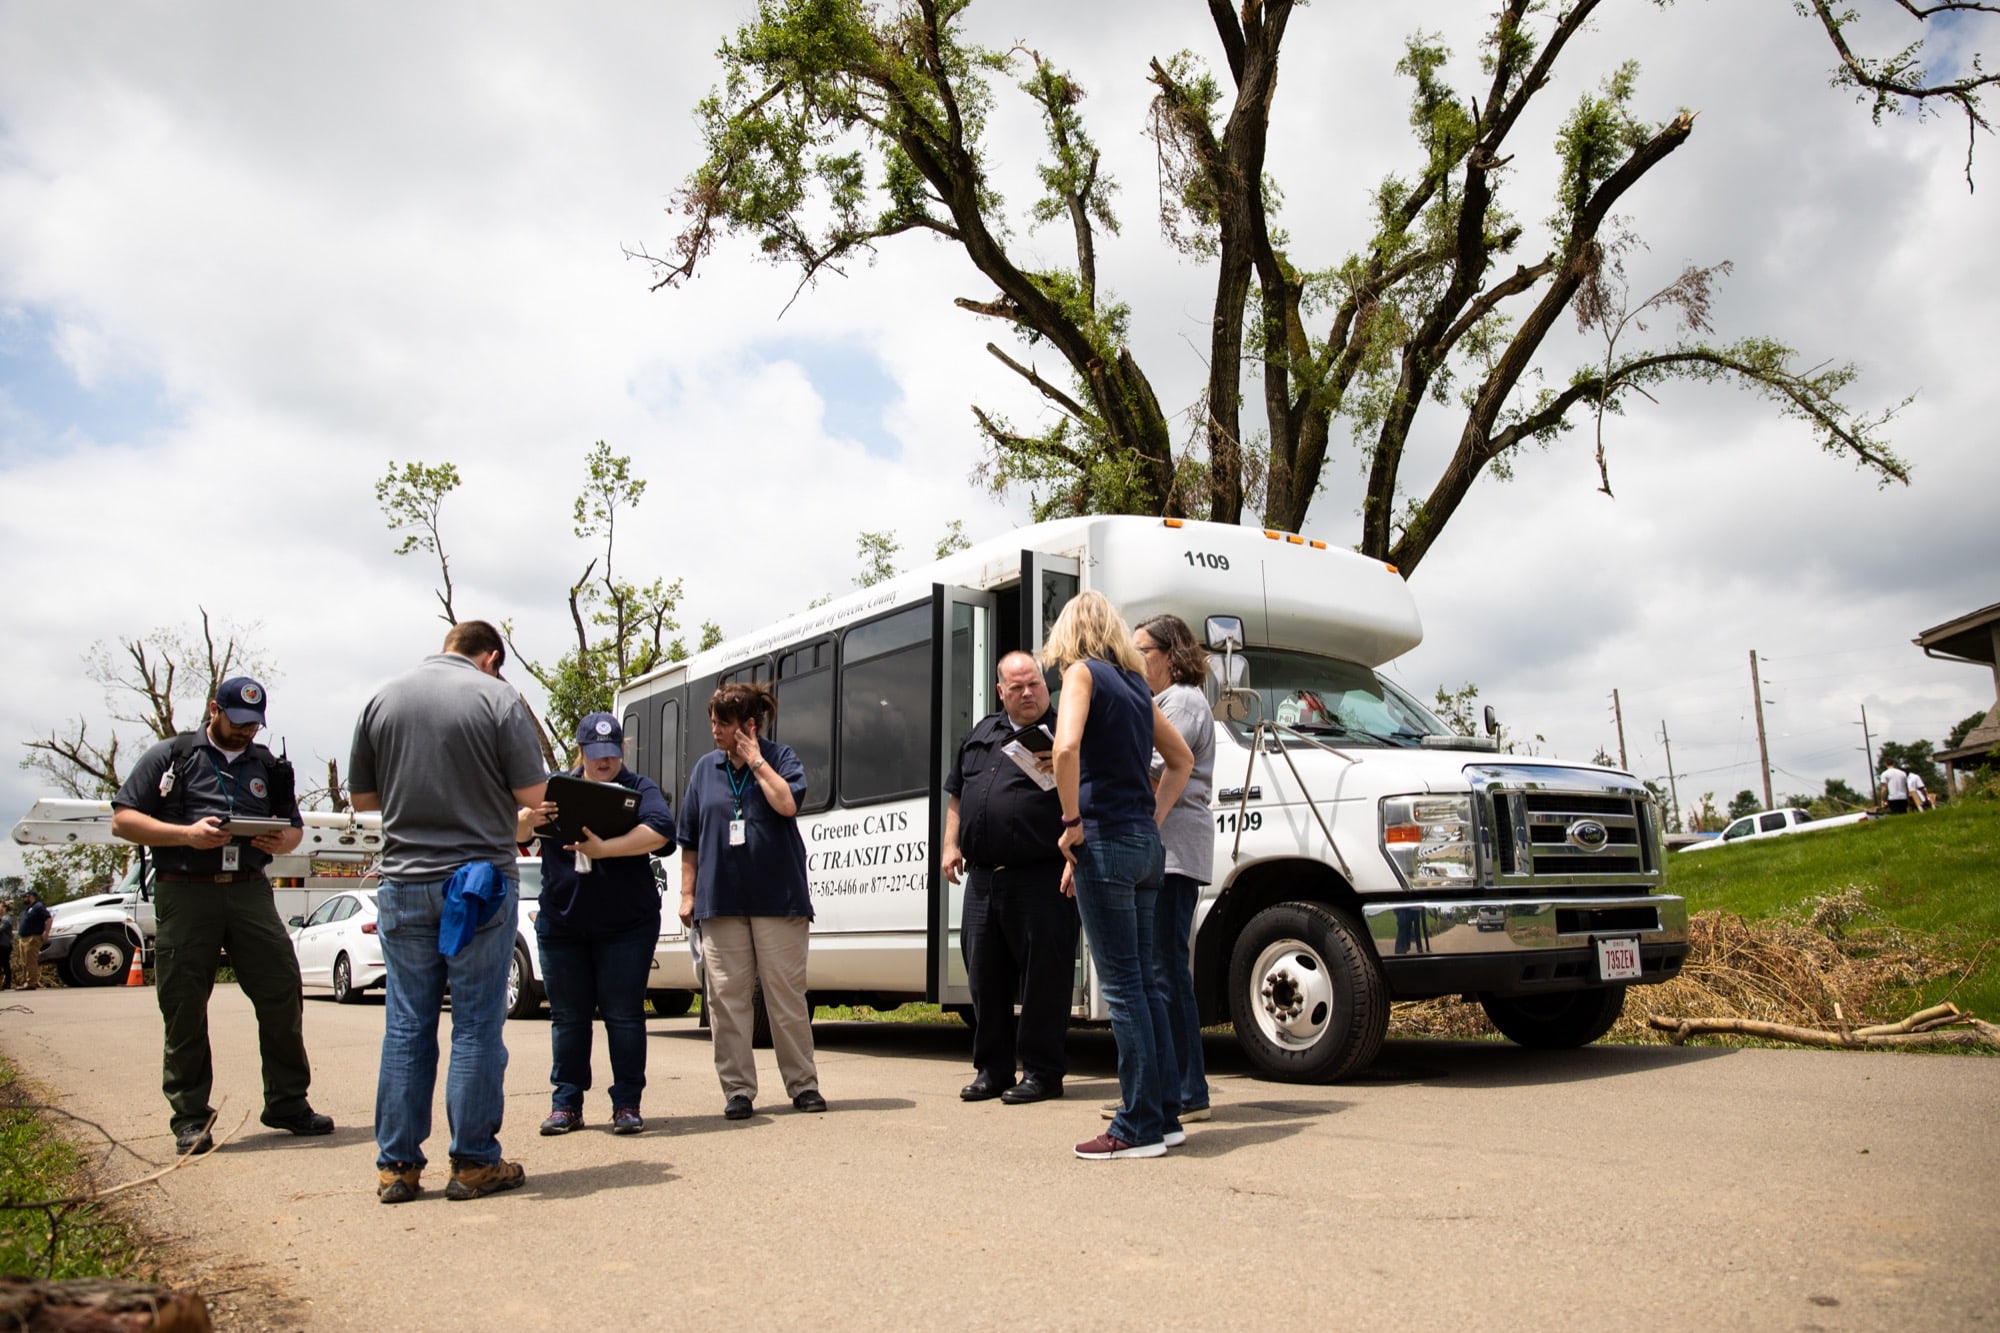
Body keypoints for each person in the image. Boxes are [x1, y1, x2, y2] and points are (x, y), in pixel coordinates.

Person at [349, 620, 547, 1205]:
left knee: (407, 1025)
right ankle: (474, 1163)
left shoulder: (383, 698)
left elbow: (363, 801)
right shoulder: (499, 698)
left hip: (404, 881)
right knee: (477, 1024)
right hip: (479, 882)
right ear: (490, 658)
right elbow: (534, 797)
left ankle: (397, 1169)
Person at [110, 678, 330, 1156]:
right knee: (184, 1003)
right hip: (185, 890)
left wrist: (281, 840)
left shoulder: (267, 764)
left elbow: (293, 827)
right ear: (215, 709)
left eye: (254, 724)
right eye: (238, 721)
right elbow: (123, 819)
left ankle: (288, 1103)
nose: (246, 731)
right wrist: (186, 834)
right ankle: (191, 1117)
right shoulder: (171, 756)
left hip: (249, 889)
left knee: (281, 990)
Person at [1041, 591, 1193, 1160]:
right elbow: (1181, 761)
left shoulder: (1084, 674)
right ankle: (1164, 1114)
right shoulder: (1136, 686)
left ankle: (1135, 1127)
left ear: (1071, 633)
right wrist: (1150, 820)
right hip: (1144, 847)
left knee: (1125, 988)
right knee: (1149, 986)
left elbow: (1065, 749)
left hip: (1105, 839)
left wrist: (1072, 823)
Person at [516, 712, 673, 1137]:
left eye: (610, 754)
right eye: (595, 754)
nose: (603, 763)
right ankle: (566, 1103)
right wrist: (527, 820)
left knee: (623, 1015)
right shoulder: (554, 788)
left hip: (627, 925)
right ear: (580, 751)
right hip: (563, 923)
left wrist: (606, 850)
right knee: (568, 1017)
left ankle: (626, 1103)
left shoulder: (639, 789)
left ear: (621, 749)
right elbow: (514, 832)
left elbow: (661, 831)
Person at [678, 682, 824, 1120]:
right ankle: (738, 1090)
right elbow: (689, 839)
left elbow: (787, 805)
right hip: (720, 901)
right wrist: (687, 893)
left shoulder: (781, 759)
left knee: (785, 996)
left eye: (723, 723)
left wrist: (757, 760)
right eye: (713, 722)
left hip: (778, 899)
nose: (715, 731)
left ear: (749, 725)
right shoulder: (705, 770)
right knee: (727, 999)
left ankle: (803, 1085)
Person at [942, 651, 1077, 1105]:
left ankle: (1042, 1072)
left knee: (1045, 979)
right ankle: (993, 1070)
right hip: (984, 879)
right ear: (1001, 691)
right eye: (1016, 687)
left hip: (1042, 875)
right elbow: (958, 792)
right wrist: (950, 844)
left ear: (1046, 684)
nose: (1027, 693)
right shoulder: (983, 732)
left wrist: (1076, 857)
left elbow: (1088, 798)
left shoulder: (1065, 733)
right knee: (984, 977)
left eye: (1034, 684)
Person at [1128, 614, 1216, 1124]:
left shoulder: (1180, 700)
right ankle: (1175, 1086)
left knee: (1165, 971)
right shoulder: (1163, 702)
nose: (1136, 659)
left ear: (1170, 653)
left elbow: (1159, 765)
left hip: (1175, 850)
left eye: (1142, 649)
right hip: (1170, 849)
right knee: (1160, 969)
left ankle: (1187, 1090)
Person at [12, 891, 47, 990]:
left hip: (33, 937)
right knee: (24, 962)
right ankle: (25, 982)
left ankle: (31, 983)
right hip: (23, 938)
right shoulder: (27, 909)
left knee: (31, 961)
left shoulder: (38, 907)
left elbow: (48, 919)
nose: (23, 898)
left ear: (31, 897)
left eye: (25, 897)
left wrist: (46, 933)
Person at [0, 899, 18, 990]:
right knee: (5, 964)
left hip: (4, 945)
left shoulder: (6, 919)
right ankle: (6, 982)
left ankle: (6, 983)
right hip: (4, 944)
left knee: (4, 964)